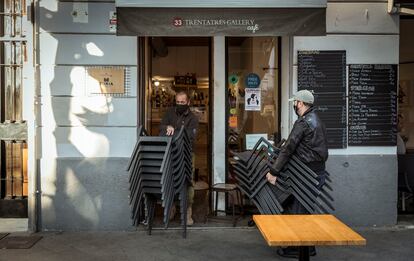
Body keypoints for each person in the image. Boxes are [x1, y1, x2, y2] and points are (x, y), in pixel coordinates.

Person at [266, 89, 329, 258]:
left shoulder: (303, 122)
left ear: (300, 103)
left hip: (306, 175)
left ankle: (300, 248)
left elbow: (288, 148)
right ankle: (307, 247)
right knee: (304, 210)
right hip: (317, 173)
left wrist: (273, 171)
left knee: (299, 211)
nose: (294, 105)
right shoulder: (317, 120)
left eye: (295, 102)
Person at [160, 91, 199, 225]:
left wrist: (173, 131)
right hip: (171, 152)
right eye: (178, 102)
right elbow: (161, 128)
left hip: (187, 154)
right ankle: (171, 207)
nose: (180, 104)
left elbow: (190, 137)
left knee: (188, 182)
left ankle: (188, 211)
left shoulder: (193, 118)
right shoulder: (170, 113)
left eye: (183, 102)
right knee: (170, 179)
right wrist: (167, 126)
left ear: (188, 102)